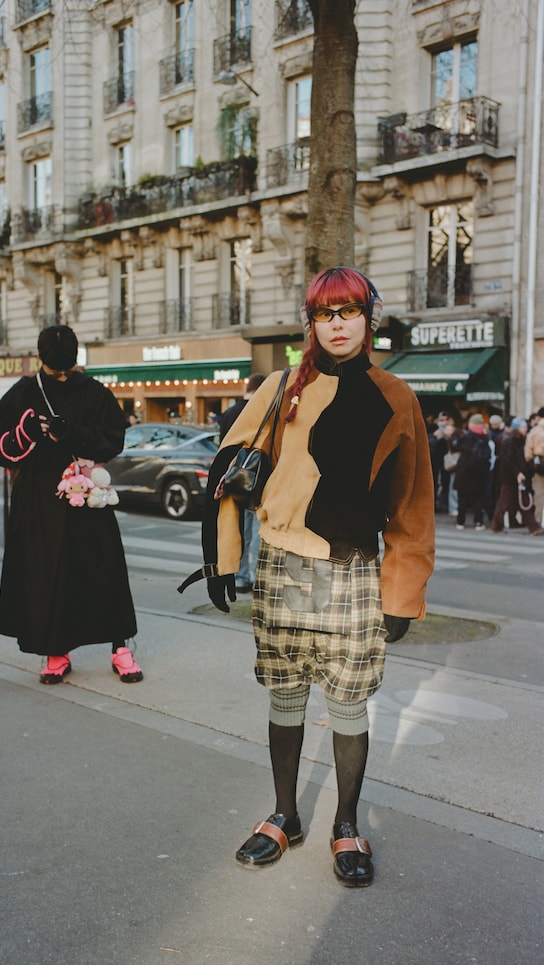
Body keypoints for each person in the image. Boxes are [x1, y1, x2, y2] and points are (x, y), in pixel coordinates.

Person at [184, 267, 435, 887]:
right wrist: (221, 558)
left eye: (350, 312)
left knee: (349, 705)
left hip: (351, 571)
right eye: (326, 314)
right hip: (280, 564)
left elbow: (412, 505)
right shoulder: (278, 388)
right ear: (312, 323)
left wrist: (402, 594)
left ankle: (345, 823)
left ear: (368, 319)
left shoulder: (396, 397)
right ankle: (284, 815)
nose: (339, 325)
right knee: (285, 696)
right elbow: (226, 476)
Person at [0, 325, 144, 684]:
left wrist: (69, 431)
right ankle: (56, 650)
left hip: (88, 496)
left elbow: (113, 440)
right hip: (39, 502)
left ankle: (120, 647)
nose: (61, 376)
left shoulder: (94, 391)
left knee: (106, 572)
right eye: (55, 369)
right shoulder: (24, 392)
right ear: (40, 359)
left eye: (65, 369)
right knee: (48, 576)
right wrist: (28, 434)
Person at [219, 373, 266, 592]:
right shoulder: (263, 411)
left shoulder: (229, 413)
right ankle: (258, 579)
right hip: (259, 480)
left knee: (238, 532)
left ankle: (240, 576)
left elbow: (223, 449)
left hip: (234, 480)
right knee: (258, 532)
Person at [490, 417, 544, 536]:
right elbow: (508, 460)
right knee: (506, 501)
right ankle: (532, 526)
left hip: (518, 475)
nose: (525, 429)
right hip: (510, 477)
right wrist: (518, 473)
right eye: (523, 427)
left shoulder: (521, 441)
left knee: (520, 501)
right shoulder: (510, 442)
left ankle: (531, 526)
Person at [453, 414, 491, 530]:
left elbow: (457, 447)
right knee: (478, 499)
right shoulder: (484, 438)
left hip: (464, 471)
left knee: (462, 498)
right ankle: (478, 522)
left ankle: (460, 522)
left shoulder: (466, 436)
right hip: (478, 473)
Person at [524, 406, 544, 527]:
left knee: (539, 493)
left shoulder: (534, 431)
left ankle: (538, 520)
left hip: (539, 464)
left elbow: (528, 452)